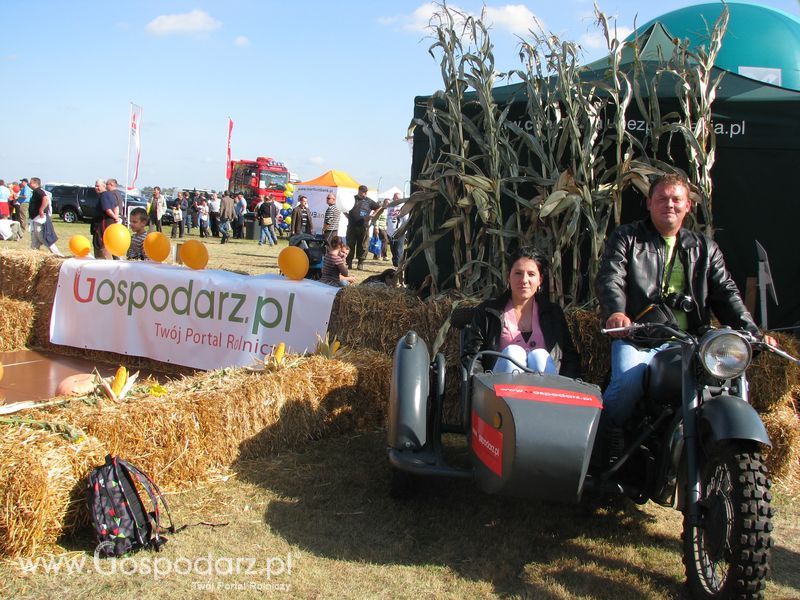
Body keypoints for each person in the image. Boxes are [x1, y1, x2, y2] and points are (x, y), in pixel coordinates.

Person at [595, 172, 775, 435]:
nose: (669, 204)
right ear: (649, 203)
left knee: (722, 381)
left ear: (688, 205)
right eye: (662, 198)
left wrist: (753, 333)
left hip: (689, 343)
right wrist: (617, 312)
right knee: (628, 382)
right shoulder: (628, 238)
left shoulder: (705, 248)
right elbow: (611, 277)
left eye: (676, 199)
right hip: (639, 339)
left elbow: (726, 292)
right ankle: (604, 444)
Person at [461, 246, 580, 377]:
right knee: (513, 353)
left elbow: (569, 357)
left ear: (540, 280)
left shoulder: (553, 313)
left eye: (531, 274)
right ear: (508, 277)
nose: (524, 280)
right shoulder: (488, 311)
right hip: (497, 390)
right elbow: (472, 357)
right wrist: (479, 385)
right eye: (518, 273)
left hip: (545, 391)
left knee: (539, 356)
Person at [346, 185, 381, 270]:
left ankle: (360, 263)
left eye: (365, 192)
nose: (364, 194)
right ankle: (349, 262)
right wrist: (345, 214)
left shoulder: (369, 201)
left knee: (363, 245)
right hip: (352, 226)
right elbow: (343, 205)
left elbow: (379, 207)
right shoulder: (352, 199)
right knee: (350, 244)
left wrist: (372, 215)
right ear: (359, 191)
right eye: (362, 192)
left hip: (364, 226)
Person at [27, 177, 64, 256]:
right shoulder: (35, 191)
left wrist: (41, 210)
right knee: (35, 239)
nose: (29, 184)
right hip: (35, 219)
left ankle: (58, 255)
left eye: (31, 182)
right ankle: (33, 256)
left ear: (35, 183)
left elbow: (45, 199)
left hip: (39, 219)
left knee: (44, 238)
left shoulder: (38, 191)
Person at [90, 179, 120, 259]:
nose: (96, 188)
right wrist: (116, 217)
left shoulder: (104, 195)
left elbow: (107, 209)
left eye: (98, 186)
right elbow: (116, 207)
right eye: (95, 186)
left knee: (101, 248)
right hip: (110, 226)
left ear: (104, 186)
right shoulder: (110, 194)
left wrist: (114, 217)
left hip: (102, 227)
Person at [386, 192, 408, 267]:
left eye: (397, 198)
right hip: (390, 232)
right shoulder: (390, 207)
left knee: (399, 249)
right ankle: (396, 263)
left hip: (399, 232)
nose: (395, 199)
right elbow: (388, 218)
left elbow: (406, 220)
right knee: (393, 249)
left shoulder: (404, 207)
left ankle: (399, 266)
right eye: (394, 198)